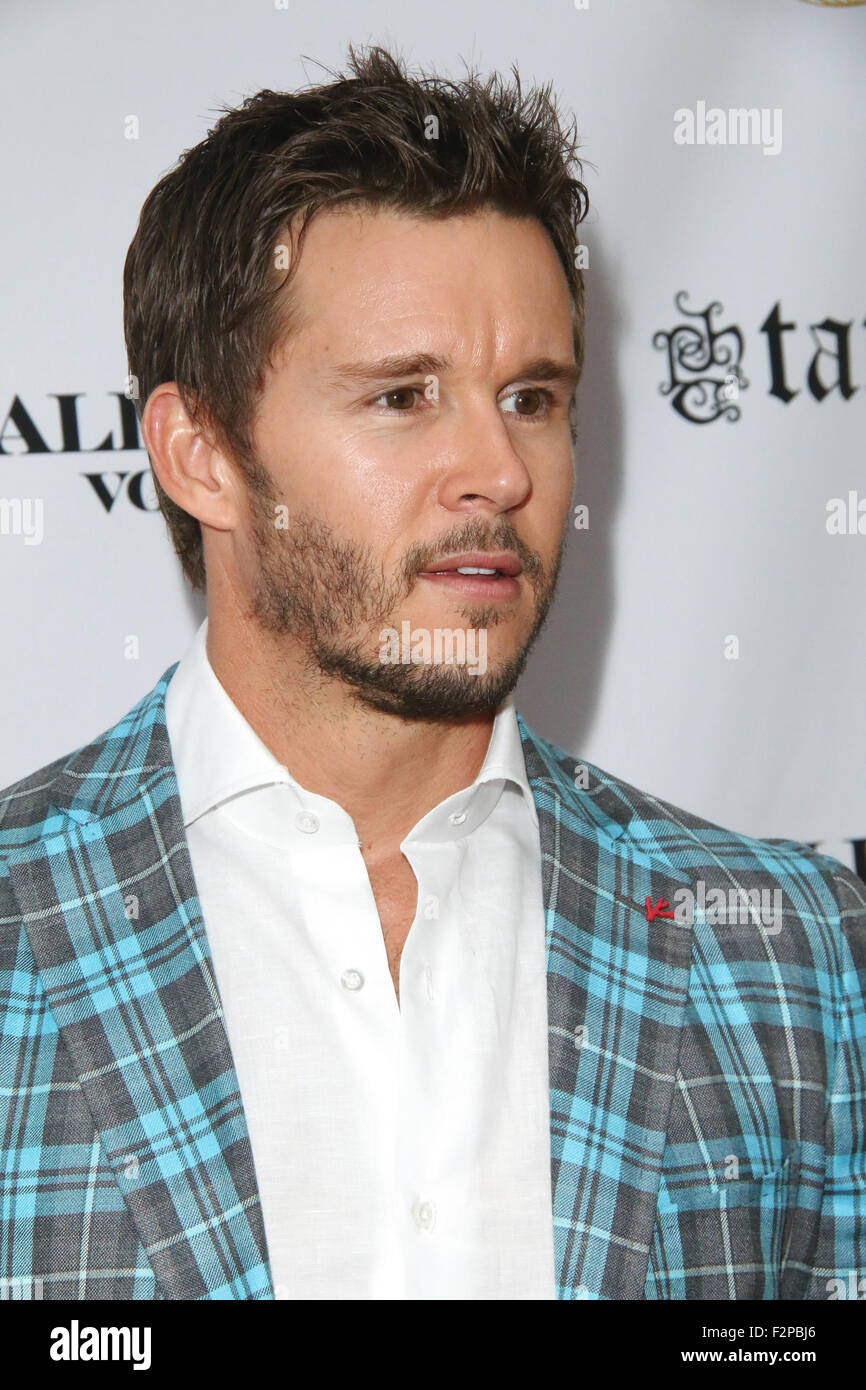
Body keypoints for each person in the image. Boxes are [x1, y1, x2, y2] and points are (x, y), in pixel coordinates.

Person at [1, 44, 863, 1302]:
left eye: (529, 395)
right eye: (403, 395)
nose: (499, 471)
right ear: (199, 456)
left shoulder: (794, 957)